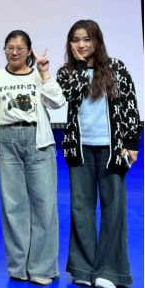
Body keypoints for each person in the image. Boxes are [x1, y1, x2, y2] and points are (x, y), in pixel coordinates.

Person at [0, 30, 65, 285]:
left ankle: (42, 268)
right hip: (7, 141)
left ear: (29, 51)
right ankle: (19, 267)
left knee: (44, 204)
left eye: (20, 48)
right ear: (5, 50)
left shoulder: (38, 75)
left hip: (38, 141)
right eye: (10, 48)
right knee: (13, 206)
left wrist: (45, 72)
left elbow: (58, 102)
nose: (14, 52)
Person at [56, 20, 140, 288]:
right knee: (81, 208)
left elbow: (130, 104)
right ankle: (83, 268)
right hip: (79, 149)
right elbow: (69, 95)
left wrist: (132, 142)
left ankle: (109, 271)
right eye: (76, 40)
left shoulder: (117, 68)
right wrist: (81, 67)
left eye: (87, 39)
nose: (81, 44)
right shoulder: (66, 72)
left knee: (113, 208)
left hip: (112, 149)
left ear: (97, 41)